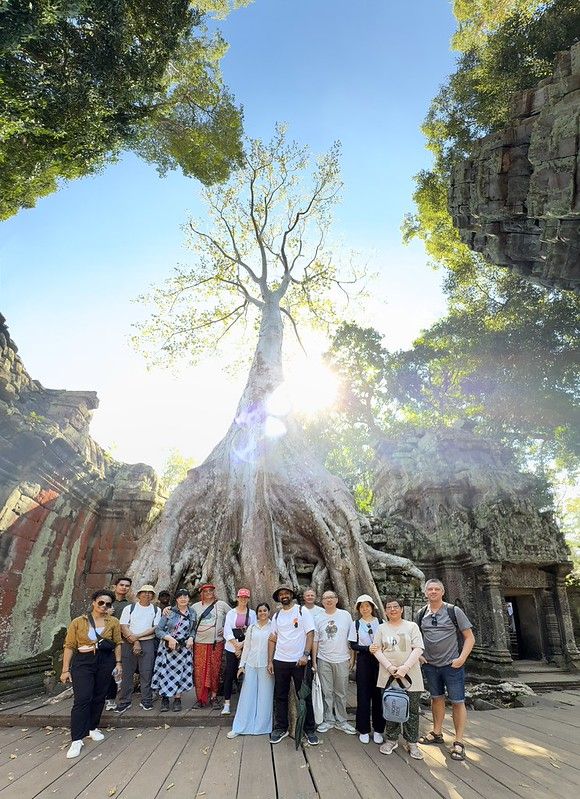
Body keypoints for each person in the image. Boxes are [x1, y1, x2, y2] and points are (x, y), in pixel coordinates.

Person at [415, 578, 475, 761]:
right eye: (430, 589)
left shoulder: (453, 611)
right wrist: (418, 655)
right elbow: (415, 638)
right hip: (431, 665)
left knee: (457, 701)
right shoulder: (421, 614)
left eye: (436, 589)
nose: (433, 592)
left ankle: (458, 741)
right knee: (436, 698)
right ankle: (437, 732)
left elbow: (469, 637)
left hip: (452, 665)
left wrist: (462, 658)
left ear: (442, 592)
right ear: (425, 593)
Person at [61, 590, 122, 759]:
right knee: (82, 698)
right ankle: (77, 739)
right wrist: (65, 669)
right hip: (83, 661)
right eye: (101, 602)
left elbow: (117, 643)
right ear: (94, 602)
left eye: (108, 604)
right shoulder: (78, 622)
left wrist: (118, 663)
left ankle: (92, 727)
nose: (104, 606)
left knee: (99, 695)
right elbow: (69, 645)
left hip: (105, 660)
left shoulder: (113, 622)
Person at [371, 597, 425, 759]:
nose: (392, 609)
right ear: (385, 611)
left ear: (402, 609)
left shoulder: (411, 626)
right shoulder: (381, 628)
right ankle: (392, 739)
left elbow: (418, 649)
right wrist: (390, 667)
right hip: (388, 675)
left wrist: (404, 668)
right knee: (391, 706)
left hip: (410, 674)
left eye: (396, 607)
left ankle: (412, 742)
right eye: (389, 607)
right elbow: (376, 649)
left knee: (413, 709)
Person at [267, 585, 319, 746]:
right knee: (280, 695)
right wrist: (270, 660)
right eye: (281, 594)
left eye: (286, 593)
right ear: (278, 598)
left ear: (291, 595)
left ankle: (309, 729)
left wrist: (305, 654)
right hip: (280, 660)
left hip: (300, 661)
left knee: (304, 696)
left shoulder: (302, 611)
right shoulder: (277, 616)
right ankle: (281, 727)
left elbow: (310, 633)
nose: (284, 596)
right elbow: (272, 638)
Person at [227, 603, 274, 738]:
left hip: (267, 665)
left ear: (269, 612)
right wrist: (241, 666)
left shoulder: (273, 627)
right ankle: (240, 726)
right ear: (257, 613)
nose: (262, 613)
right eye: (260, 611)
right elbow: (246, 647)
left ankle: (261, 727)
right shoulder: (252, 628)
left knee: (265, 696)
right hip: (251, 664)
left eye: (265, 610)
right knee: (247, 695)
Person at [312, 590, 356, 735]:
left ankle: (342, 720)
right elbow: (315, 640)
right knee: (327, 691)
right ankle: (328, 719)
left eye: (331, 597)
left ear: (337, 600)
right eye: (325, 598)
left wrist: (352, 658)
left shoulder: (345, 615)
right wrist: (314, 661)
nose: (328, 600)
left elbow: (352, 638)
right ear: (322, 602)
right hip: (324, 659)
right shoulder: (318, 617)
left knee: (341, 692)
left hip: (342, 659)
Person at [115, 584, 161, 713]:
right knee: (127, 673)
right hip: (128, 641)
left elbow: (155, 628)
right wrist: (134, 640)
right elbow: (123, 625)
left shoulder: (156, 610)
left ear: (153, 596)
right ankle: (125, 700)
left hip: (147, 641)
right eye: (144, 592)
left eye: (150, 593)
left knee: (146, 672)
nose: (147, 594)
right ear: (139, 594)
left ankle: (146, 699)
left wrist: (137, 637)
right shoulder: (130, 608)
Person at [348, 594, 385, 744]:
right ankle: (363, 729)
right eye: (362, 606)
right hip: (363, 660)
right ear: (359, 609)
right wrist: (367, 648)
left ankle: (378, 729)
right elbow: (353, 645)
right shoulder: (356, 624)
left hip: (380, 661)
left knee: (378, 696)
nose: (365, 609)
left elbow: (387, 641)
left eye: (367, 606)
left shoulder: (381, 623)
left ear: (372, 607)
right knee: (363, 695)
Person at [152, 589, 197, 711]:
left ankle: (177, 699)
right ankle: (165, 699)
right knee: (165, 672)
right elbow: (158, 630)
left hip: (183, 648)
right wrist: (169, 638)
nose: (183, 599)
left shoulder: (192, 613)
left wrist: (191, 638)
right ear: (176, 599)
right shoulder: (169, 612)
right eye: (180, 597)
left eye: (185, 596)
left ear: (189, 599)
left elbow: (193, 629)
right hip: (168, 648)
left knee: (181, 673)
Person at [192, 584, 231, 708]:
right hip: (199, 643)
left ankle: (214, 697)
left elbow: (233, 616)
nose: (208, 593)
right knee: (199, 672)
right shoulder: (195, 607)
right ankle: (201, 699)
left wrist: (226, 628)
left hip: (216, 643)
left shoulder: (221, 605)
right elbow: (184, 616)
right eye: (205, 591)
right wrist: (169, 609)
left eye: (211, 590)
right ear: (201, 593)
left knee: (215, 670)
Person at [222, 588, 257, 716]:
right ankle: (227, 704)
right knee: (229, 674)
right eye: (241, 597)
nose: (243, 600)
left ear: (248, 599)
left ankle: (246, 704)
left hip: (246, 647)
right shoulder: (231, 613)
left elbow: (252, 630)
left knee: (246, 675)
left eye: (245, 597)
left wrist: (242, 645)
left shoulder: (252, 614)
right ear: (237, 598)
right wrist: (236, 645)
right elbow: (227, 630)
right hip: (232, 646)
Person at [105, 576, 133, 710]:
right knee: (106, 670)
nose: (124, 587)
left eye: (127, 586)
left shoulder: (129, 605)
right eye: (121, 585)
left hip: (123, 641)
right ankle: (108, 698)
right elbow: (91, 618)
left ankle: (121, 698)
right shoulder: (105, 602)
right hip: (106, 641)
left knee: (122, 670)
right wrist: (106, 613)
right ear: (115, 586)